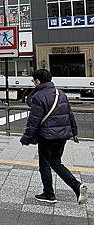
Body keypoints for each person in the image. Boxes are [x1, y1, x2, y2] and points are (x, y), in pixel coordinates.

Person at [20, 69, 87, 205]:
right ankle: (77, 186)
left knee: (44, 164)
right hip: (62, 136)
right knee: (56, 162)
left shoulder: (38, 97)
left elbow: (34, 120)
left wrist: (26, 138)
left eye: (33, 81)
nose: (33, 84)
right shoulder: (60, 93)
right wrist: (74, 132)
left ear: (38, 81)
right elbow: (70, 115)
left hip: (47, 137)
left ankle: (49, 194)